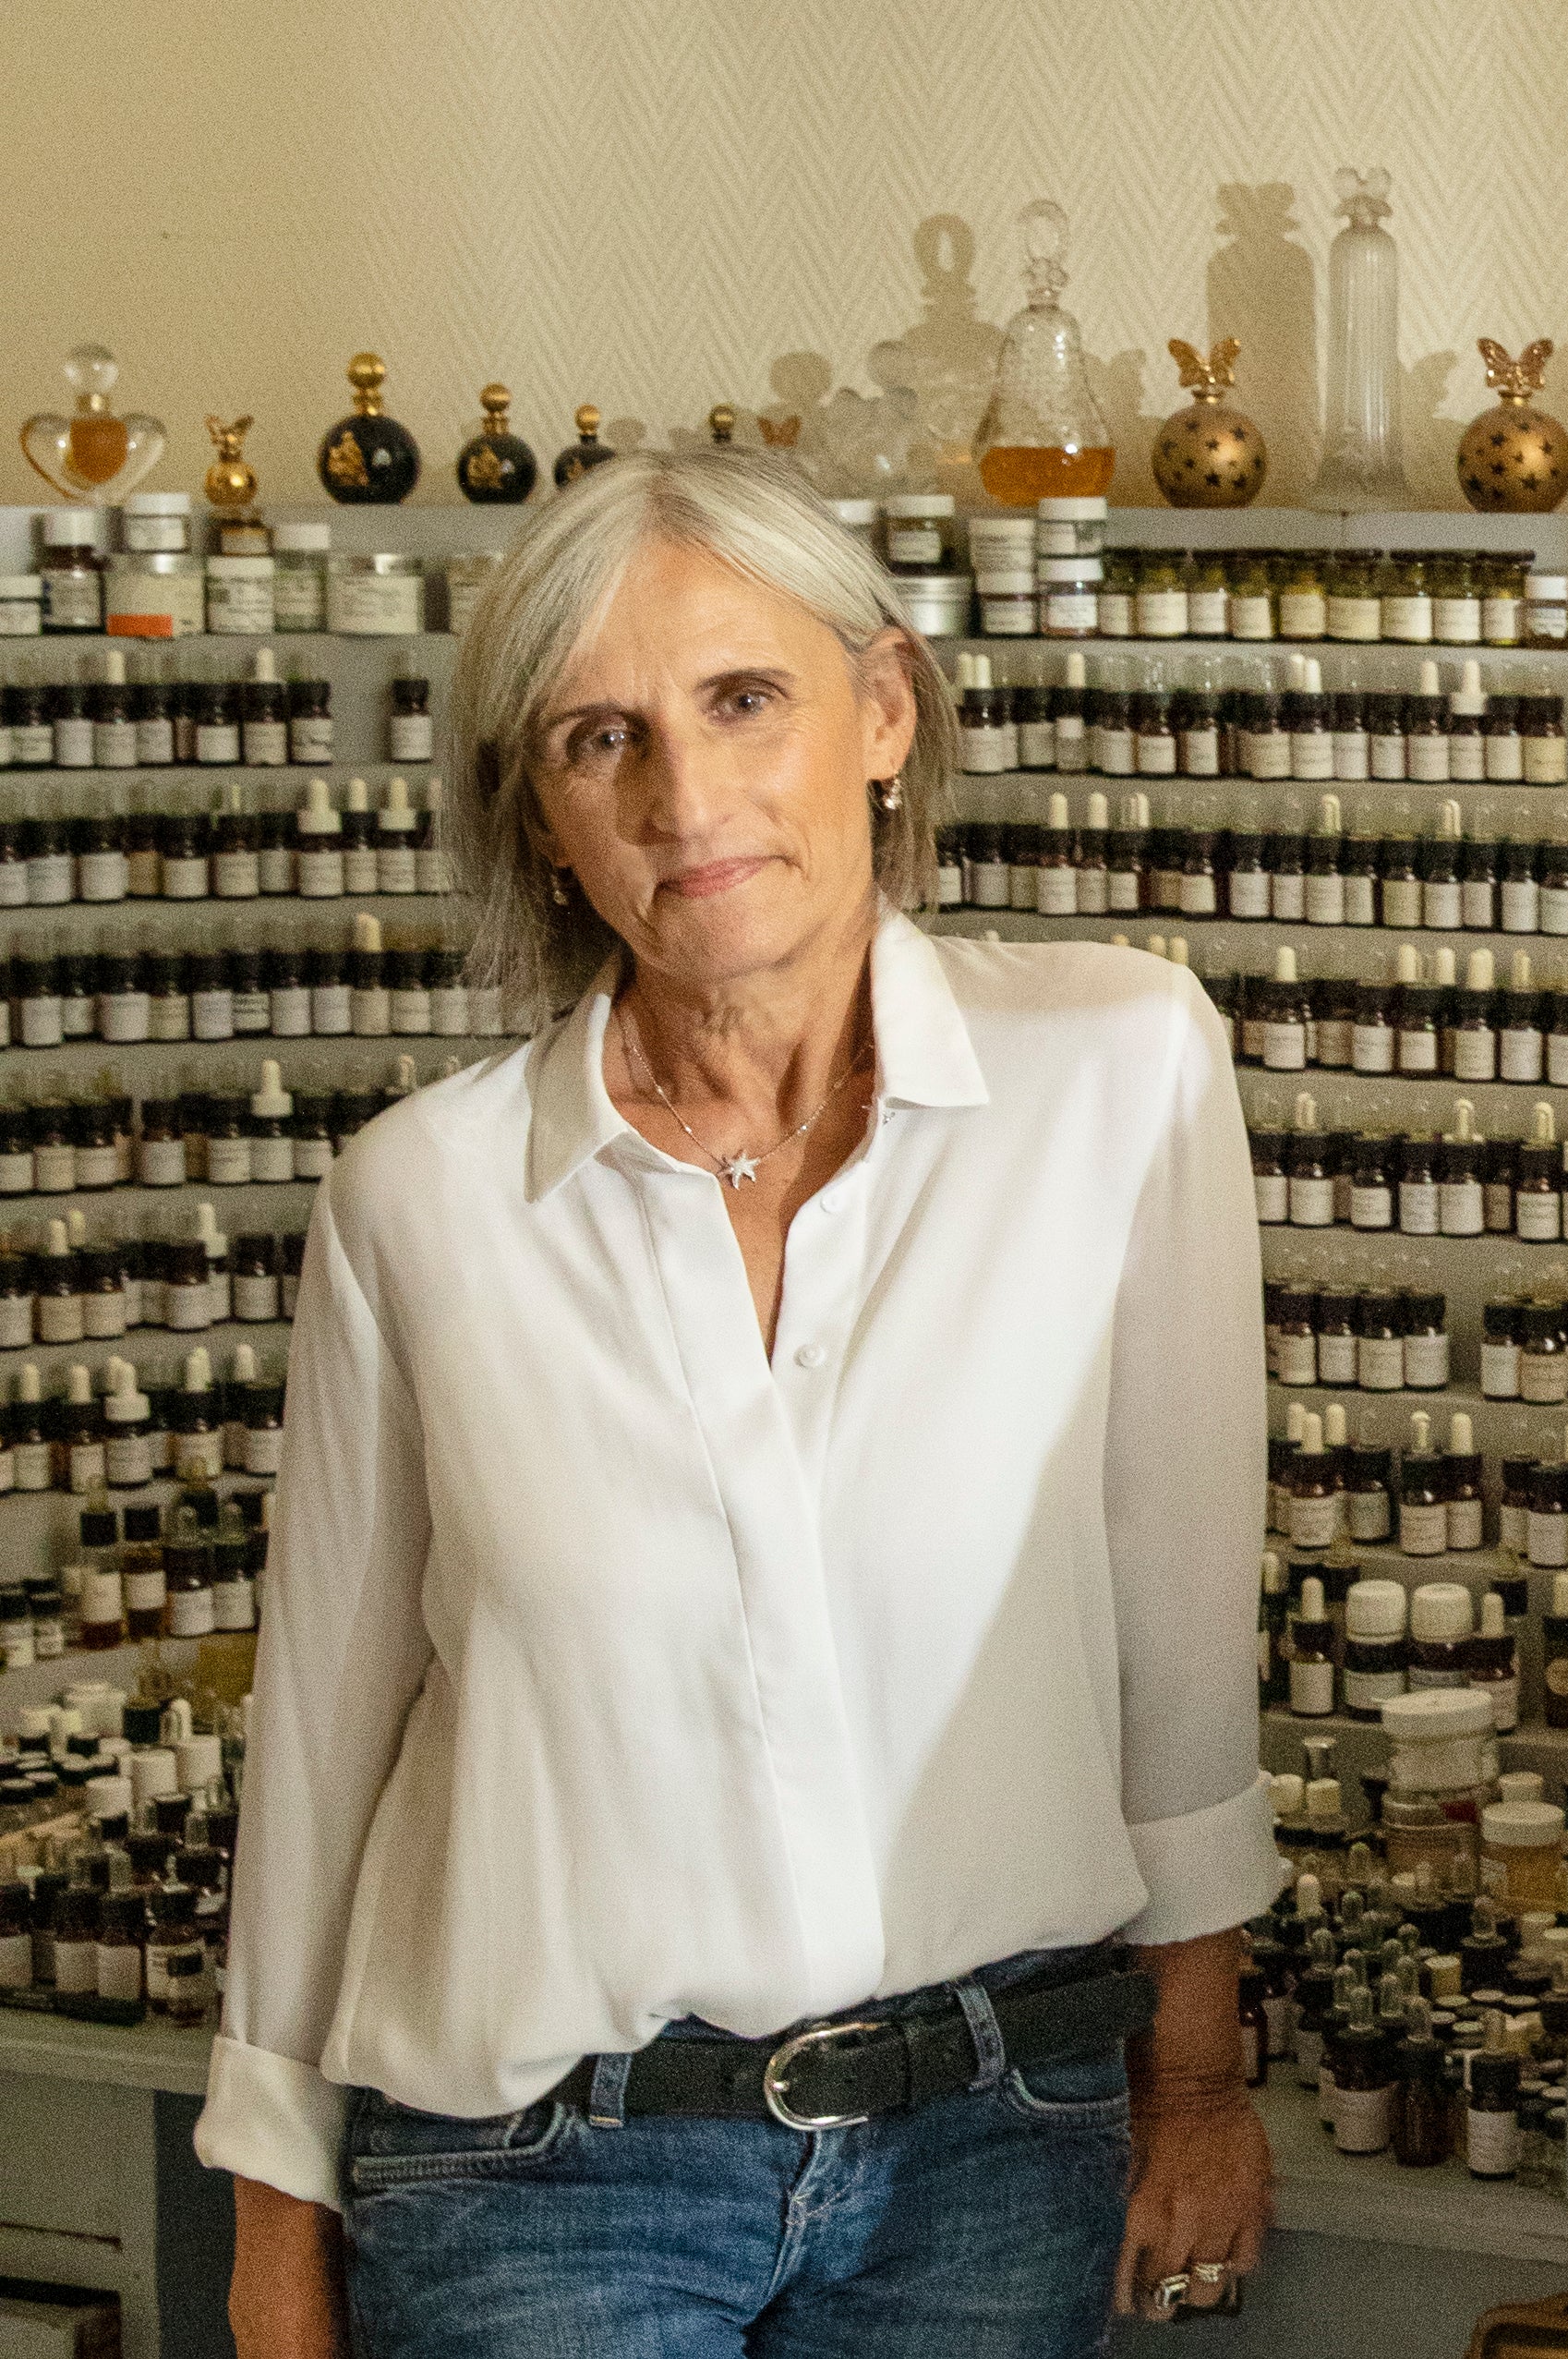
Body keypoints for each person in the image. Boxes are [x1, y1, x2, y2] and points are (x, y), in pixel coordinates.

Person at [199, 448, 1275, 2359]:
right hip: (544, 2181)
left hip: (990, 2149)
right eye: (597, 738)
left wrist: (1194, 2087)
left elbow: (1181, 1640)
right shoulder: (423, 1201)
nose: (684, 798)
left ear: (880, 710)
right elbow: (323, 1746)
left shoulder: (1120, 1079)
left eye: (741, 701)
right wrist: (276, 2229)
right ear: (536, 816)